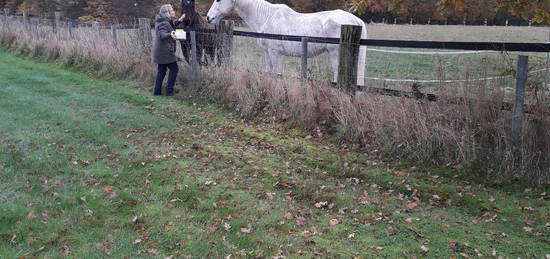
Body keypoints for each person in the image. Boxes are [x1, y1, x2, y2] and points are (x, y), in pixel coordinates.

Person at [152, 4, 185, 96]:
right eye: (172, 10)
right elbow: (162, 34)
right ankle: (169, 91)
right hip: (165, 52)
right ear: (167, 13)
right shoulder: (164, 23)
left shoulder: (163, 21)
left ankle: (157, 91)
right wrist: (170, 34)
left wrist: (179, 20)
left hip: (160, 51)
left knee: (161, 70)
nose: (173, 12)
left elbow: (171, 25)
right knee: (174, 69)